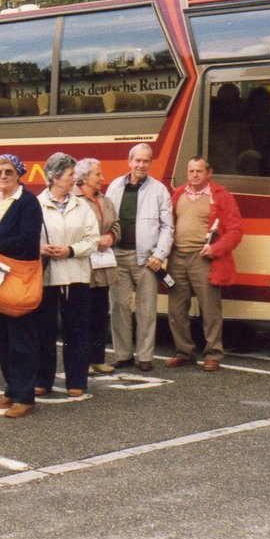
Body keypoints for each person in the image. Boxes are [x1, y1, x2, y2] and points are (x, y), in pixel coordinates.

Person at [0, 153, 42, 419]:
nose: (2, 176)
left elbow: (29, 240)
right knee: (2, 337)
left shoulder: (28, 202)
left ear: (19, 174)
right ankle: (11, 390)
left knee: (22, 339)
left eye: (8, 172)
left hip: (20, 279)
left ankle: (25, 397)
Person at [165, 157, 244, 371]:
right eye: (191, 170)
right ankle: (184, 352)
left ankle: (213, 354)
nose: (194, 175)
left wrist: (215, 249)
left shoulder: (220, 195)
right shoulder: (178, 194)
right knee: (176, 309)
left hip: (204, 258)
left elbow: (235, 231)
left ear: (209, 173)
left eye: (199, 171)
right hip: (177, 257)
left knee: (210, 309)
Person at [105, 143, 174, 372]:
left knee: (146, 310)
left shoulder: (159, 190)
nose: (141, 165)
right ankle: (123, 355)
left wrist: (159, 255)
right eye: (138, 160)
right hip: (118, 256)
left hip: (146, 260)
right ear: (129, 161)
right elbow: (106, 219)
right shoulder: (115, 186)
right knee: (119, 307)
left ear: (150, 163)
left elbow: (168, 226)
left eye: (146, 161)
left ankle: (145, 356)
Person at [35, 153, 99, 397]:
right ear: (54, 176)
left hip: (76, 276)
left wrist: (70, 250)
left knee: (77, 330)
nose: (75, 179)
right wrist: (41, 248)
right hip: (46, 276)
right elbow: (28, 237)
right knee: (44, 330)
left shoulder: (82, 206)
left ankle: (77, 381)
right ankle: (42, 379)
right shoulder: (36, 205)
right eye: (71, 174)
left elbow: (92, 240)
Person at [75, 158, 120, 375]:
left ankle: (97, 359)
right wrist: (95, 241)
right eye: (98, 175)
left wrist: (111, 236)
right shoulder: (74, 200)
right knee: (82, 316)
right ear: (84, 178)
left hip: (103, 267)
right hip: (83, 266)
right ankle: (81, 361)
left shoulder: (105, 200)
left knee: (100, 314)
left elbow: (116, 224)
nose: (102, 178)